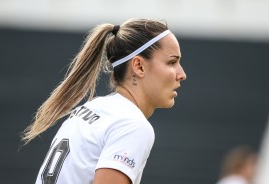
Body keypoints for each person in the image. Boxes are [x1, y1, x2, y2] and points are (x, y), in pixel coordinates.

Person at [22, 18, 187, 184]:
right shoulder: (133, 125)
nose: (181, 74)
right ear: (139, 66)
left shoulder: (90, 109)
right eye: (171, 62)